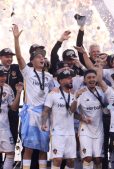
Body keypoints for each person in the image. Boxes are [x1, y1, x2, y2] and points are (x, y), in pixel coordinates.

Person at [13, 24, 54, 169]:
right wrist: (16, 39)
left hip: (43, 115)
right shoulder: (28, 72)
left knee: (43, 148)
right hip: (30, 113)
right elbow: (18, 56)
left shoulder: (49, 76)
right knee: (29, 148)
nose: (42, 58)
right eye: (38, 56)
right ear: (32, 61)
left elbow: (54, 94)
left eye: (43, 56)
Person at [41, 70, 78, 169]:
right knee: (57, 159)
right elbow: (46, 110)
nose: (70, 80)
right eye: (67, 78)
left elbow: (72, 110)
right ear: (60, 81)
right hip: (57, 132)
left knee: (70, 161)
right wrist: (43, 123)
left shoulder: (74, 95)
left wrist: (76, 98)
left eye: (71, 78)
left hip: (70, 132)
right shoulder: (53, 94)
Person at [76, 69, 106, 169]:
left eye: (93, 77)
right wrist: (82, 118)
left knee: (98, 159)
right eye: (89, 78)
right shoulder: (81, 93)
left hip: (99, 129)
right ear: (84, 80)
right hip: (85, 129)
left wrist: (108, 108)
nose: (91, 79)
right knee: (87, 158)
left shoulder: (102, 91)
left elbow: (110, 106)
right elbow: (71, 111)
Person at [0, 66, 23, 169]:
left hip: (4, 127)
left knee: (10, 153)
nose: (2, 78)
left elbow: (14, 108)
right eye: (0, 76)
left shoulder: (8, 88)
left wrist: (18, 93)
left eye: (4, 75)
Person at [0, 48, 23, 144]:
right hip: (1, 108)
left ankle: (11, 157)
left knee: (13, 133)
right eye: (7, 57)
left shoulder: (16, 68)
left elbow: (21, 83)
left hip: (13, 106)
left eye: (11, 57)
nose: (9, 59)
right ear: (1, 57)